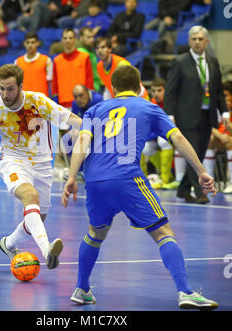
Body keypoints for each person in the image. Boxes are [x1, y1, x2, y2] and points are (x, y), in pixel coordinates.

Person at [62, 65, 218, 310]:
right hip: (126, 177)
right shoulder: (149, 107)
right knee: (163, 232)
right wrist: (201, 170)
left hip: (94, 179)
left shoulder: (94, 109)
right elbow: (177, 138)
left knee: (95, 232)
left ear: (112, 88)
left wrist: (72, 176)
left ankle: (82, 289)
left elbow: (82, 140)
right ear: (139, 87)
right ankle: (186, 292)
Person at [0, 64, 82, 269]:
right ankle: (47, 250)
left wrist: (86, 131)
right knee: (30, 197)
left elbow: (72, 119)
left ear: (21, 86)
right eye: (1, 88)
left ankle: (8, 243)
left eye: (10, 89)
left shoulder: (38, 102)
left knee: (36, 220)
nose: (5, 94)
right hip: (13, 162)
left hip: (43, 166)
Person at [164, 25, 229, 204]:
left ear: (207, 41)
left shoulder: (213, 62)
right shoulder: (180, 61)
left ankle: (183, 189)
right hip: (186, 116)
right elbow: (170, 92)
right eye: (194, 39)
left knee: (199, 154)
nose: (197, 42)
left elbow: (217, 91)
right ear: (189, 41)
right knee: (192, 153)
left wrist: (224, 111)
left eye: (201, 39)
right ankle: (199, 192)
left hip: (207, 115)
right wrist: (169, 115)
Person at [145, 0, 212, 50]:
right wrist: (166, 16)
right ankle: (149, 46)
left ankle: (155, 48)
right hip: (163, 17)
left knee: (162, 25)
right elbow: (161, 6)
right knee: (147, 27)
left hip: (177, 19)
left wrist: (205, 0)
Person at [142, 78, 176, 190]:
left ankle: (166, 178)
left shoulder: (172, 102)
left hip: (171, 136)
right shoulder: (149, 104)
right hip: (155, 136)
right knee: (145, 148)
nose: (156, 94)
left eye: (159, 90)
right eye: (154, 91)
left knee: (163, 141)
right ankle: (145, 178)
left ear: (166, 90)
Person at [52, 29, 94, 108]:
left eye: (70, 38)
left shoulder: (84, 57)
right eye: (65, 38)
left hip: (81, 103)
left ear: (75, 39)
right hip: (63, 104)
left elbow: (89, 80)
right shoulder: (57, 60)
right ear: (62, 40)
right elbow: (55, 83)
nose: (68, 40)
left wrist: (89, 99)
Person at [14, 32, 53, 96]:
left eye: (32, 42)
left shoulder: (46, 60)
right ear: (24, 44)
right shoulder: (17, 62)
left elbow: (51, 83)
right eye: (28, 42)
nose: (30, 45)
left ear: (37, 43)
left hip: (41, 102)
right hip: (25, 101)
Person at [77, 27, 101, 93]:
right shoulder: (81, 53)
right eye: (88, 37)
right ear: (81, 38)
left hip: (96, 86)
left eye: (92, 37)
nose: (92, 40)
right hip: (88, 89)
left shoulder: (91, 52)